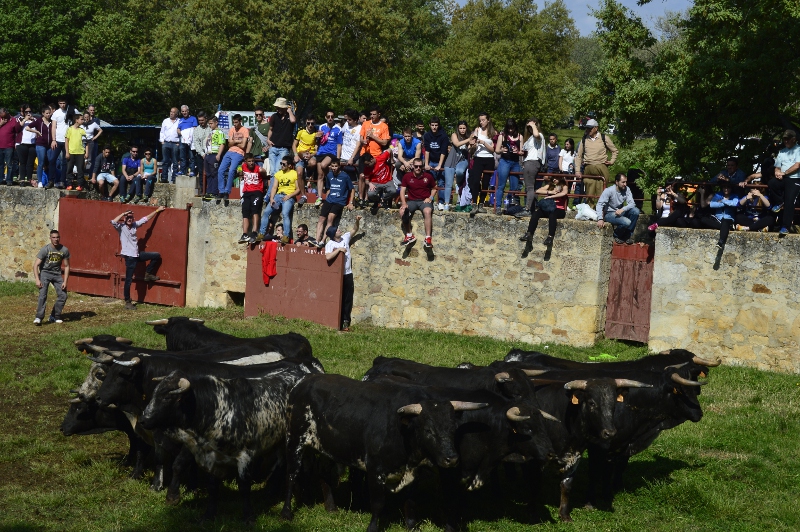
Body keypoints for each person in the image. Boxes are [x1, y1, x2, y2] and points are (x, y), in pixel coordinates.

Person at [112, 206, 166, 310]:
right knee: (128, 280)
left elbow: (146, 219)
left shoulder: (134, 225)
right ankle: (127, 302)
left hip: (136, 254)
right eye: (127, 218)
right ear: (124, 218)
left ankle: (148, 274)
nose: (129, 219)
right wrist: (124, 213)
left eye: (131, 217)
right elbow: (113, 222)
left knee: (156, 256)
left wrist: (157, 211)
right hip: (129, 257)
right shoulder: (121, 227)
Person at [324, 215, 361, 331]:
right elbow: (328, 257)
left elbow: (354, 230)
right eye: (337, 230)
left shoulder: (345, 238)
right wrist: (339, 250)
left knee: (348, 299)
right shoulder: (330, 244)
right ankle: (337, 322)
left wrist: (357, 221)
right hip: (337, 276)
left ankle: (346, 322)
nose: (339, 230)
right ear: (333, 234)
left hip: (348, 273)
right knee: (339, 298)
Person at [575, 119, 618, 207]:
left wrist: (612, 161)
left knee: (602, 192)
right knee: (589, 193)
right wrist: (577, 171)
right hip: (588, 167)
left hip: (601, 166)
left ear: (596, 128)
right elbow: (578, 156)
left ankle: (601, 212)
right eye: (587, 128)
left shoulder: (604, 138)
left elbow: (614, 151)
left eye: (590, 128)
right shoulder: (584, 139)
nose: (588, 130)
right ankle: (590, 211)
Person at [518, 174, 569, 246]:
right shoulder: (550, 186)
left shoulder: (564, 186)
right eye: (553, 178)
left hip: (559, 209)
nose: (554, 179)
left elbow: (564, 193)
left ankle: (550, 237)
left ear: (560, 178)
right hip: (548, 208)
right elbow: (538, 190)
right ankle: (529, 234)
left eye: (556, 178)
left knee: (552, 215)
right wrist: (550, 192)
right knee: (535, 213)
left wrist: (551, 197)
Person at [33, 229, 70, 325]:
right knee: (43, 294)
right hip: (45, 273)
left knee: (63, 295)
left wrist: (65, 281)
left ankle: (54, 316)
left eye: (57, 237)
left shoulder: (64, 250)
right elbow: (35, 265)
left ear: (59, 238)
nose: (56, 239)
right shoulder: (45, 249)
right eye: (53, 237)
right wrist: (37, 279)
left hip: (57, 274)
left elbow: (66, 266)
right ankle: (39, 317)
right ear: (50, 238)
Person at [399, 158, 437, 248]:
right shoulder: (407, 177)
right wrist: (404, 203)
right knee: (402, 211)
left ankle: (428, 238)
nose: (418, 168)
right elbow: (402, 191)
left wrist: (430, 197)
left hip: (424, 200)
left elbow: (435, 188)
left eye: (420, 166)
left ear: (423, 167)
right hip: (412, 201)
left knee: (427, 211)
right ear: (413, 166)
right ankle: (409, 235)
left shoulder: (428, 176)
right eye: (416, 166)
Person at [315, 157, 354, 244]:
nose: (334, 168)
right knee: (321, 219)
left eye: (336, 166)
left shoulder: (345, 176)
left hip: (339, 201)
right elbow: (328, 188)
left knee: (330, 218)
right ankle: (316, 240)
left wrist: (350, 202)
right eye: (332, 166)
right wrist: (325, 200)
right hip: (329, 200)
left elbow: (352, 189)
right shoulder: (329, 175)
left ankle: (323, 240)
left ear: (339, 166)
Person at [259, 155, 300, 238]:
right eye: (281, 163)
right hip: (278, 195)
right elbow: (274, 187)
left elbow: (298, 189)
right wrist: (271, 198)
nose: (281, 165)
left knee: (285, 214)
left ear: (289, 165)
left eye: (284, 164)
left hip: (289, 196)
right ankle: (261, 233)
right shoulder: (278, 174)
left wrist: (289, 196)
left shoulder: (294, 173)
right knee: (266, 212)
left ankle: (286, 236)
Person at [596, 173, 640, 245]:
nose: (625, 184)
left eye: (626, 182)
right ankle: (616, 235)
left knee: (636, 211)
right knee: (627, 222)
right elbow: (599, 204)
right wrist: (600, 219)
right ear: (617, 182)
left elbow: (632, 204)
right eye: (623, 182)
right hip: (609, 213)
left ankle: (627, 236)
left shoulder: (627, 189)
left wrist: (623, 209)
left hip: (620, 211)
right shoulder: (609, 191)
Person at [467, 112, 496, 216]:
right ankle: (474, 203)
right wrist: (473, 144)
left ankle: (481, 204)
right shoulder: (477, 130)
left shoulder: (493, 133)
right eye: (480, 120)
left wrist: (483, 142)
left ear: (488, 120)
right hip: (478, 158)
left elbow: (493, 150)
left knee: (485, 182)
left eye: (483, 120)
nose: (481, 122)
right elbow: (471, 145)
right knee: (475, 181)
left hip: (488, 159)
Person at [217, 113, 250, 204]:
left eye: (236, 122)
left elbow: (243, 145)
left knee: (232, 170)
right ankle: (221, 191)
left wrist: (234, 142)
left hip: (239, 153)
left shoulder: (245, 130)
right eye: (234, 122)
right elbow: (229, 144)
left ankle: (227, 191)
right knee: (220, 170)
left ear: (240, 121)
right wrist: (237, 141)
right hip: (230, 151)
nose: (235, 124)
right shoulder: (232, 129)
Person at [494, 118, 523, 214]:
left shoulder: (520, 136)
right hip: (505, 161)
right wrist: (502, 150)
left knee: (514, 186)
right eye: (509, 128)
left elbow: (522, 151)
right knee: (501, 185)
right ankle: (498, 206)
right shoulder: (502, 136)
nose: (510, 130)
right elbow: (497, 150)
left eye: (512, 128)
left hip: (515, 162)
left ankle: (509, 204)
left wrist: (518, 151)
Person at [314, 110, 343, 206]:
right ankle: (319, 197)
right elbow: (317, 140)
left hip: (331, 152)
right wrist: (317, 137)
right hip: (321, 151)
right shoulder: (322, 127)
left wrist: (338, 159)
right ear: (326, 117)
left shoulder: (338, 129)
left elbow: (339, 145)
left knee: (323, 165)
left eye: (332, 116)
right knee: (320, 176)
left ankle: (328, 184)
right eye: (328, 116)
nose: (330, 118)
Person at [699, 181, 740, 248]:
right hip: (717, 219)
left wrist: (722, 201)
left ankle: (721, 242)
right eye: (724, 187)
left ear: (731, 188)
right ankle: (726, 228)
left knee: (725, 221)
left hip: (728, 219)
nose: (726, 189)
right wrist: (727, 203)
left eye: (728, 187)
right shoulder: (718, 195)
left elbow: (735, 204)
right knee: (703, 219)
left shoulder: (734, 196)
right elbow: (712, 204)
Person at [518, 118, 545, 217]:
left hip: (532, 163)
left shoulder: (538, 135)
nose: (529, 129)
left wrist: (533, 125)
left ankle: (528, 209)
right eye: (528, 127)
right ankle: (531, 208)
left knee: (529, 188)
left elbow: (537, 134)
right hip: (529, 162)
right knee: (530, 188)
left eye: (531, 127)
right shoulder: (530, 138)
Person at [775, 129, 800, 236]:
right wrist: (777, 173)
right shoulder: (782, 151)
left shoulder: (798, 150)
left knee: (790, 201)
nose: (785, 141)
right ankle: (780, 202)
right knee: (772, 183)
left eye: (787, 139)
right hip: (783, 177)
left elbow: (797, 165)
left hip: (795, 178)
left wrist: (784, 173)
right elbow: (777, 166)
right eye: (784, 139)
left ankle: (785, 226)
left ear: (793, 139)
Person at [442, 120, 472, 212]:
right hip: (451, 161)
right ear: (458, 129)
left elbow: (470, 151)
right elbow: (457, 144)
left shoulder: (469, 137)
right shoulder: (454, 135)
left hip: (462, 160)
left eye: (464, 128)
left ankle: (458, 184)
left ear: (466, 129)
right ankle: (446, 204)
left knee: (459, 172)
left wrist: (472, 143)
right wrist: (469, 139)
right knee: (448, 184)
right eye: (460, 128)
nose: (462, 130)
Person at [239, 152, 268, 244]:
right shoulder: (243, 166)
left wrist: (263, 171)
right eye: (249, 161)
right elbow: (240, 171)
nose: (251, 163)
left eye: (253, 161)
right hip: (246, 192)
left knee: (255, 210)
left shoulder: (258, 169)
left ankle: (255, 232)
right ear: (246, 162)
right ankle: (245, 234)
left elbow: (265, 175)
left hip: (257, 191)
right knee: (245, 212)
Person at [422, 117, 448, 209]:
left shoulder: (443, 136)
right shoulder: (427, 135)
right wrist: (426, 164)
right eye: (432, 125)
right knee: (429, 182)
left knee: (441, 182)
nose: (434, 127)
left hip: (441, 161)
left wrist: (440, 165)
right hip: (431, 161)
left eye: (436, 125)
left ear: (438, 126)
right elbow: (427, 151)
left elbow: (443, 152)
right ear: (429, 125)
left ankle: (441, 202)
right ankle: (430, 200)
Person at [267, 98, 296, 180]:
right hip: (273, 147)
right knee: (272, 171)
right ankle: (273, 191)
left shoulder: (289, 117)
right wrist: (268, 140)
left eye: (280, 107)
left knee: (278, 170)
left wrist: (290, 111)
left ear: (285, 108)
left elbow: (293, 121)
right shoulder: (274, 116)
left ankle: (271, 192)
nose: (277, 109)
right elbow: (271, 129)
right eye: (277, 107)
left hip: (284, 148)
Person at [293, 115, 319, 200]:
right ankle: (303, 194)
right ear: (306, 123)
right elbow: (294, 145)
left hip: (310, 155)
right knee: (299, 173)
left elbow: (317, 149)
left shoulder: (316, 133)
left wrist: (311, 155)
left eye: (312, 123)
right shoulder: (300, 132)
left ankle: (307, 173)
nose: (310, 125)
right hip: (300, 154)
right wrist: (296, 155)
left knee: (313, 163)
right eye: (308, 123)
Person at [29, 105, 55, 188]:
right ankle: (39, 181)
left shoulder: (52, 121)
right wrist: (36, 131)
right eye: (47, 113)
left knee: (50, 162)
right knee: (41, 162)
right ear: (43, 113)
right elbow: (27, 127)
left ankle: (49, 180)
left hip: (49, 144)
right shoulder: (39, 121)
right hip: (40, 144)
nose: (48, 115)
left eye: (49, 113)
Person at [340, 109, 362, 200]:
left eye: (350, 120)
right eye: (347, 119)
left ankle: (356, 198)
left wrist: (352, 157)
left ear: (355, 120)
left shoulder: (359, 128)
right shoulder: (346, 125)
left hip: (353, 156)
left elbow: (358, 144)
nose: (347, 121)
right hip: (343, 156)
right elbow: (341, 134)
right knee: (342, 177)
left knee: (355, 178)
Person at [202, 116, 226, 200]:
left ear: (216, 123)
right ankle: (209, 191)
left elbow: (222, 143)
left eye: (211, 123)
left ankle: (214, 192)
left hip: (214, 154)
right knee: (208, 174)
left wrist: (219, 154)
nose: (210, 125)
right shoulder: (210, 132)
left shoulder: (220, 132)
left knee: (214, 173)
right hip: (208, 155)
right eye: (209, 124)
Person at [50, 98, 71, 188]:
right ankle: (51, 180)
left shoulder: (71, 110)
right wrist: (53, 140)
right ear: (58, 103)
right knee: (52, 160)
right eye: (61, 103)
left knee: (65, 162)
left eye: (64, 103)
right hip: (58, 140)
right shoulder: (56, 113)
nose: (62, 105)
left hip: (68, 140)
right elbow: (53, 127)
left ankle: (62, 181)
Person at [64, 112, 88, 191]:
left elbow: (86, 142)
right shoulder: (70, 129)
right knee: (69, 169)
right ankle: (69, 184)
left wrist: (86, 152)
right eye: (81, 119)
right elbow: (66, 141)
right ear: (76, 120)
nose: (83, 120)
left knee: (80, 169)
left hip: (80, 153)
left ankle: (80, 185)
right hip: (71, 152)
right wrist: (67, 152)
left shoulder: (82, 130)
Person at [159, 107, 181, 183]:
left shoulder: (179, 121)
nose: (171, 113)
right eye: (171, 111)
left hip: (175, 143)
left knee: (175, 162)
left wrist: (179, 142)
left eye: (173, 112)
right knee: (165, 161)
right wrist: (162, 141)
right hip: (166, 143)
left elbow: (181, 132)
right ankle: (164, 178)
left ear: (177, 114)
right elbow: (162, 131)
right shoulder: (165, 121)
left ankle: (174, 178)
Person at [17, 107, 37, 187]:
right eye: (26, 112)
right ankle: (22, 179)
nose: (28, 113)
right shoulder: (20, 119)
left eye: (30, 111)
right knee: (22, 162)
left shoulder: (35, 120)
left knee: (30, 163)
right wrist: (25, 119)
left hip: (32, 144)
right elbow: (18, 128)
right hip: (22, 144)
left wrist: (32, 120)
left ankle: (29, 179)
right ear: (23, 112)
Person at [191, 111, 210, 187]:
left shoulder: (211, 128)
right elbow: (196, 143)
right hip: (200, 154)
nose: (201, 122)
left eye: (202, 120)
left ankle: (210, 189)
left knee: (210, 172)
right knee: (201, 172)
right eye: (199, 121)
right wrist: (202, 154)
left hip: (210, 153)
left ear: (206, 119)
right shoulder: (196, 130)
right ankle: (203, 189)